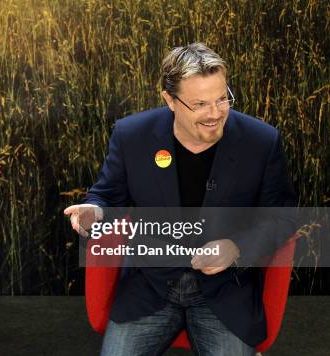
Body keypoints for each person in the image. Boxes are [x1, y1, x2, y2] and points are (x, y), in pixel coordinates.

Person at [64, 43, 295, 355]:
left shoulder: (262, 141)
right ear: (170, 100)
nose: (215, 114)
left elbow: (282, 217)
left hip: (225, 293)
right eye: (199, 104)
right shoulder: (131, 135)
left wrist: (236, 248)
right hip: (150, 288)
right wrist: (94, 210)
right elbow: (107, 195)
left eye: (222, 99)